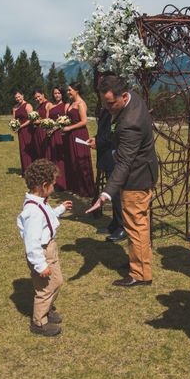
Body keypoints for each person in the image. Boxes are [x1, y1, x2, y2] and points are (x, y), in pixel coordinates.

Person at [87, 75, 158, 287]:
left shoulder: (130, 123)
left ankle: (140, 274)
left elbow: (125, 163)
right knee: (140, 225)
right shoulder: (133, 99)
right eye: (104, 103)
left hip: (136, 178)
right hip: (142, 171)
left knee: (135, 226)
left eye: (111, 103)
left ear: (123, 96)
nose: (108, 109)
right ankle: (139, 264)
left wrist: (106, 193)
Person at [17, 159, 73, 337]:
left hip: (50, 248)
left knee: (56, 282)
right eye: (53, 184)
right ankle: (39, 322)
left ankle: (47, 310)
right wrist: (40, 265)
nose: (54, 188)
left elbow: (47, 218)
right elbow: (31, 242)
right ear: (43, 185)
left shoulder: (41, 201)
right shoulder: (32, 211)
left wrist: (60, 209)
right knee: (45, 288)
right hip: (41, 252)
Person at [89, 107, 125, 242]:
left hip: (114, 156)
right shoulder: (105, 110)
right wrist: (95, 138)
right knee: (113, 194)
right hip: (106, 156)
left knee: (116, 194)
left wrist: (98, 142)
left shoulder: (116, 110)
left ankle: (122, 227)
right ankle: (115, 223)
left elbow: (113, 135)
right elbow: (104, 131)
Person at [62, 82, 95, 198]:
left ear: (76, 91)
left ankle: (86, 189)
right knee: (73, 160)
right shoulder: (71, 103)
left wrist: (69, 127)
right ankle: (76, 187)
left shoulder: (81, 103)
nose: (68, 92)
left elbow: (84, 121)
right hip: (70, 135)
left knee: (81, 160)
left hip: (79, 134)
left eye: (70, 90)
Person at [45, 87, 68, 191]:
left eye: (59, 93)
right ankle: (53, 181)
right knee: (52, 157)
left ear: (62, 94)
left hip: (60, 133)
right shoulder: (50, 105)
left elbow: (66, 120)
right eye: (55, 93)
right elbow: (47, 119)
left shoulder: (66, 105)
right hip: (50, 134)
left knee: (60, 157)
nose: (57, 95)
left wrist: (54, 128)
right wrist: (47, 128)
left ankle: (62, 182)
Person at [12, 89, 34, 174]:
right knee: (22, 150)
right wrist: (14, 126)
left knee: (29, 149)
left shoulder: (28, 105)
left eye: (19, 96)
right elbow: (13, 120)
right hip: (20, 131)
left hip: (28, 130)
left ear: (22, 96)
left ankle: (31, 169)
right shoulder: (15, 107)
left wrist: (21, 126)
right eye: (16, 97)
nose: (18, 98)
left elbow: (31, 119)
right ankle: (24, 170)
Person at [31, 89, 51, 160]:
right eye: (35, 98)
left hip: (44, 131)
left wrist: (39, 121)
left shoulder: (48, 104)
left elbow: (48, 119)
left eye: (39, 96)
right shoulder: (38, 106)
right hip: (37, 131)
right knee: (39, 151)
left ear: (43, 94)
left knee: (46, 151)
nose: (37, 99)